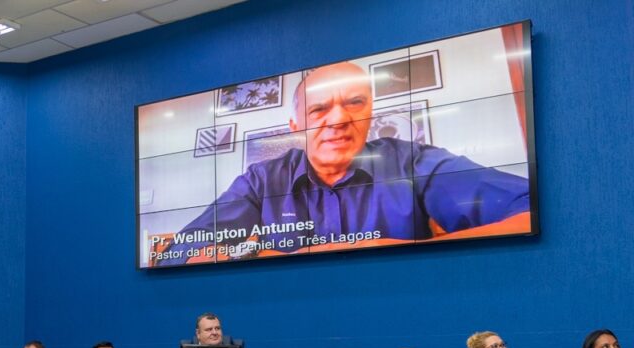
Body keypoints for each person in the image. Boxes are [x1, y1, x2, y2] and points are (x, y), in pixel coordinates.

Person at [156, 62, 530, 265]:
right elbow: (182, 252)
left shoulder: (413, 162)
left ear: (371, 113)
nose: (337, 120)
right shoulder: (262, 179)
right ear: (294, 127)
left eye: (354, 103)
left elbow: (527, 210)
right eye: (319, 109)